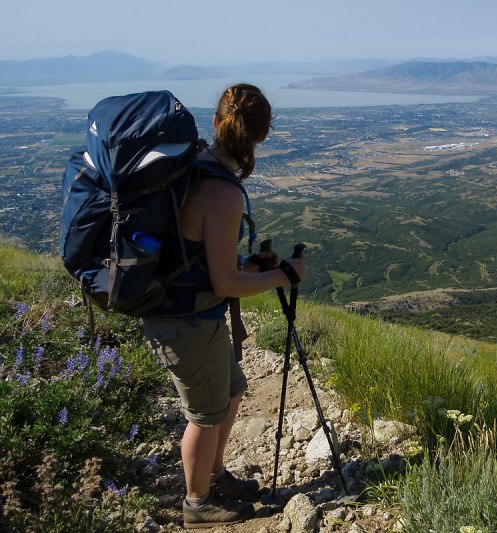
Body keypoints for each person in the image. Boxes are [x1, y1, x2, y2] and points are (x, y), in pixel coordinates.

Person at [142, 83, 306, 529]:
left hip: (189, 311)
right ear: (262, 136)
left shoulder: (195, 166)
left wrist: (250, 264)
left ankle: (215, 476)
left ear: (216, 122)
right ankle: (197, 504)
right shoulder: (225, 192)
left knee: (231, 392)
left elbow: (196, 253)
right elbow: (225, 282)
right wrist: (284, 274)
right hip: (186, 318)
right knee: (205, 415)